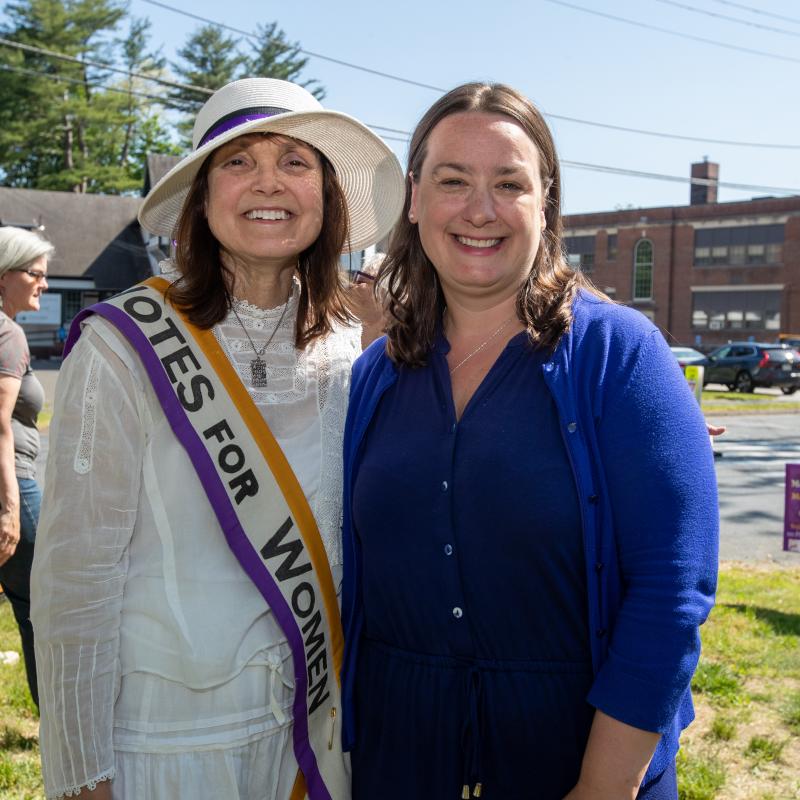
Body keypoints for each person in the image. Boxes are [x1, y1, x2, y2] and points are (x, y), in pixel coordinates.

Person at [340, 82, 719, 800]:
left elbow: (672, 591)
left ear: (545, 204)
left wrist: (601, 788)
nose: (479, 210)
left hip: (575, 758)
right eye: (453, 181)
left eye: (509, 183)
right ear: (414, 198)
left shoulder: (620, 357)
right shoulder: (373, 379)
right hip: (398, 758)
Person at [31, 78, 404, 800]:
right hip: (165, 743)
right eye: (238, 162)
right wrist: (80, 774)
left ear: (326, 198)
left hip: (314, 737)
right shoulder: (121, 345)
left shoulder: (352, 349)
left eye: (296, 162)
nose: (269, 182)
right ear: (201, 199)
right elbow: (76, 579)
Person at [0, 226, 51, 710]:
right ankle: (54, 717)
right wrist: (11, 509)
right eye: (35, 273)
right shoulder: (8, 333)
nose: (44, 284)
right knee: (43, 607)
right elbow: (0, 427)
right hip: (13, 484)